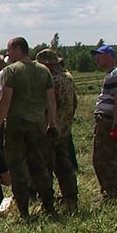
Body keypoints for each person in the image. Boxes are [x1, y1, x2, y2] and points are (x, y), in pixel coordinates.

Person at [0, 37, 58, 218]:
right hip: (37, 125)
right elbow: (51, 101)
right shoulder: (44, 71)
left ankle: (23, 209)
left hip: (16, 125)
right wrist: (52, 124)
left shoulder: (11, 71)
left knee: (17, 167)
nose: (7, 53)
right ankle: (48, 205)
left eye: (10, 50)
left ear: (19, 49)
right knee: (39, 166)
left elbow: (5, 101)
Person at [36, 49, 78, 211]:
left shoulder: (51, 81)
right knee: (64, 166)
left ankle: (47, 202)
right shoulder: (68, 78)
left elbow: (48, 105)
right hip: (65, 128)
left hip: (50, 130)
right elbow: (75, 103)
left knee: (46, 167)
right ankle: (70, 198)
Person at [91, 44, 117, 200]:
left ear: (110, 57)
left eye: (100, 56)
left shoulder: (115, 75)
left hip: (108, 121)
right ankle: (107, 192)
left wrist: (115, 125)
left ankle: (110, 194)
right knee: (101, 157)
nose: (97, 59)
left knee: (105, 158)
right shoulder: (115, 74)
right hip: (107, 121)